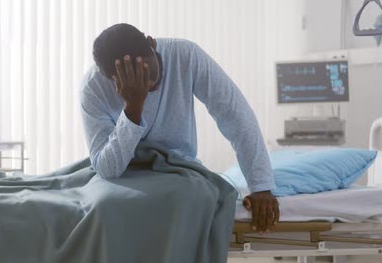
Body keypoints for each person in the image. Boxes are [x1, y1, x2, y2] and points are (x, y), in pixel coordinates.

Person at [80, 23, 279, 232]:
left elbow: (235, 115)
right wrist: (133, 108)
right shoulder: (93, 87)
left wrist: (261, 186)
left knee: (192, 199)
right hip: (125, 174)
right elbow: (108, 169)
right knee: (104, 207)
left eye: (147, 73)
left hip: (179, 171)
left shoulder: (186, 56)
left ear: (151, 44)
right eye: (130, 79)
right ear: (110, 78)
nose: (145, 86)